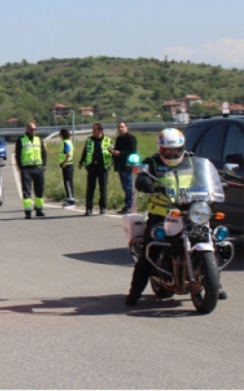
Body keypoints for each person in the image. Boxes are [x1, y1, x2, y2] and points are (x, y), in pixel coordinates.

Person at [125, 128, 227, 305]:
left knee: (212, 241)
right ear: (160, 149)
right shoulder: (153, 163)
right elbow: (142, 178)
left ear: (182, 148)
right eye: (168, 151)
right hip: (162, 214)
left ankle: (214, 285)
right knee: (151, 249)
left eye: (176, 150)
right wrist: (148, 185)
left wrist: (220, 183)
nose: (172, 154)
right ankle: (135, 291)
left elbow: (205, 175)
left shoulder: (191, 161)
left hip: (190, 210)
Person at [79, 122, 112, 216]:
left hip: (103, 167)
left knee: (103, 188)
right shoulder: (89, 140)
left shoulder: (107, 140)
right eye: (92, 129)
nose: (92, 131)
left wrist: (111, 162)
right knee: (90, 188)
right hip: (92, 166)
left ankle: (103, 207)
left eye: (94, 130)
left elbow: (111, 152)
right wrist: (81, 162)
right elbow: (85, 152)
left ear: (100, 130)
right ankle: (89, 208)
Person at [15, 122, 46, 219]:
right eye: (32, 129)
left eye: (35, 129)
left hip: (38, 168)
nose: (33, 131)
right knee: (26, 191)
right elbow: (18, 155)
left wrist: (44, 165)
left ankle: (39, 209)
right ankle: (28, 212)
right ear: (27, 130)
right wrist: (21, 168)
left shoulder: (38, 140)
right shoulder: (21, 140)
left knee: (39, 190)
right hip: (26, 169)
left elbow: (44, 153)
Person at [112, 121, 137, 214]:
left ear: (127, 127)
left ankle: (130, 206)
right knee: (125, 186)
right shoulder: (119, 139)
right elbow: (116, 149)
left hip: (128, 165)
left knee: (129, 187)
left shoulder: (131, 138)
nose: (120, 129)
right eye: (119, 127)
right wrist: (113, 153)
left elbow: (133, 151)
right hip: (120, 165)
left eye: (122, 127)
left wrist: (120, 153)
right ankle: (127, 205)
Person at [58, 128, 76, 208]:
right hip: (69, 164)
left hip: (67, 165)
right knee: (69, 183)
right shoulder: (69, 141)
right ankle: (70, 199)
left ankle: (71, 201)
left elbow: (68, 154)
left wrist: (64, 163)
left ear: (62, 135)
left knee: (68, 183)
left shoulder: (65, 142)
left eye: (60, 134)